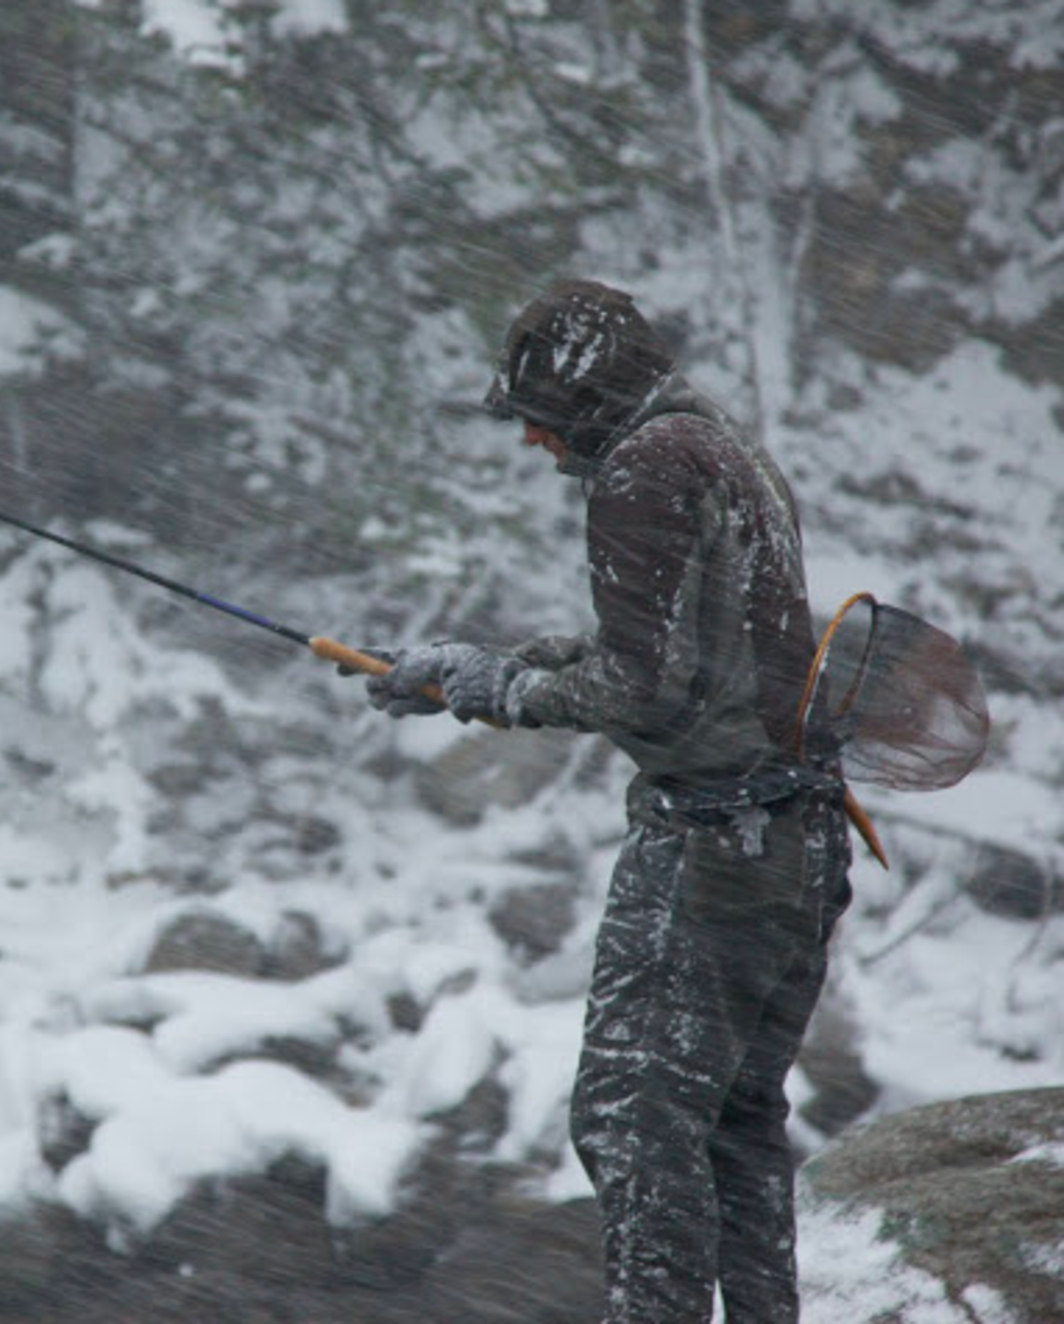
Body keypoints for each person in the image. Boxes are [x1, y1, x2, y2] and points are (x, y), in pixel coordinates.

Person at [354, 279, 853, 1323]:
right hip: (801, 836)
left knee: (633, 1120)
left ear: (584, 399)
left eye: (538, 417)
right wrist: (481, 667)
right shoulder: (715, 442)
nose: (534, 441)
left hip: (718, 845)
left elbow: (643, 684)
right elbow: (693, 654)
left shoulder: (642, 469)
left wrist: (503, 691)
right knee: (735, 1119)